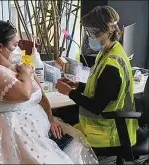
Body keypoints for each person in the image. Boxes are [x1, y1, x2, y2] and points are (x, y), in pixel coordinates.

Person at [0, 20, 98, 164]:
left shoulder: (14, 67)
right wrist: (25, 73)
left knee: (74, 147)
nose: (18, 50)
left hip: (36, 130)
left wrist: (51, 120)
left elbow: (41, 95)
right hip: (8, 140)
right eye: (15, 45)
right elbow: (24, 94)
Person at [57, 6, 139, 148]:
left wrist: (69, 92)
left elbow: (96, 106)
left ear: (107, 31)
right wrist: (77, 85)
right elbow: (101, 89)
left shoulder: (112, 66)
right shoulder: (110, 51)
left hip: (110, 133)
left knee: (59, 141)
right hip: (104, 127)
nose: (90, 36)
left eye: (93, 32)